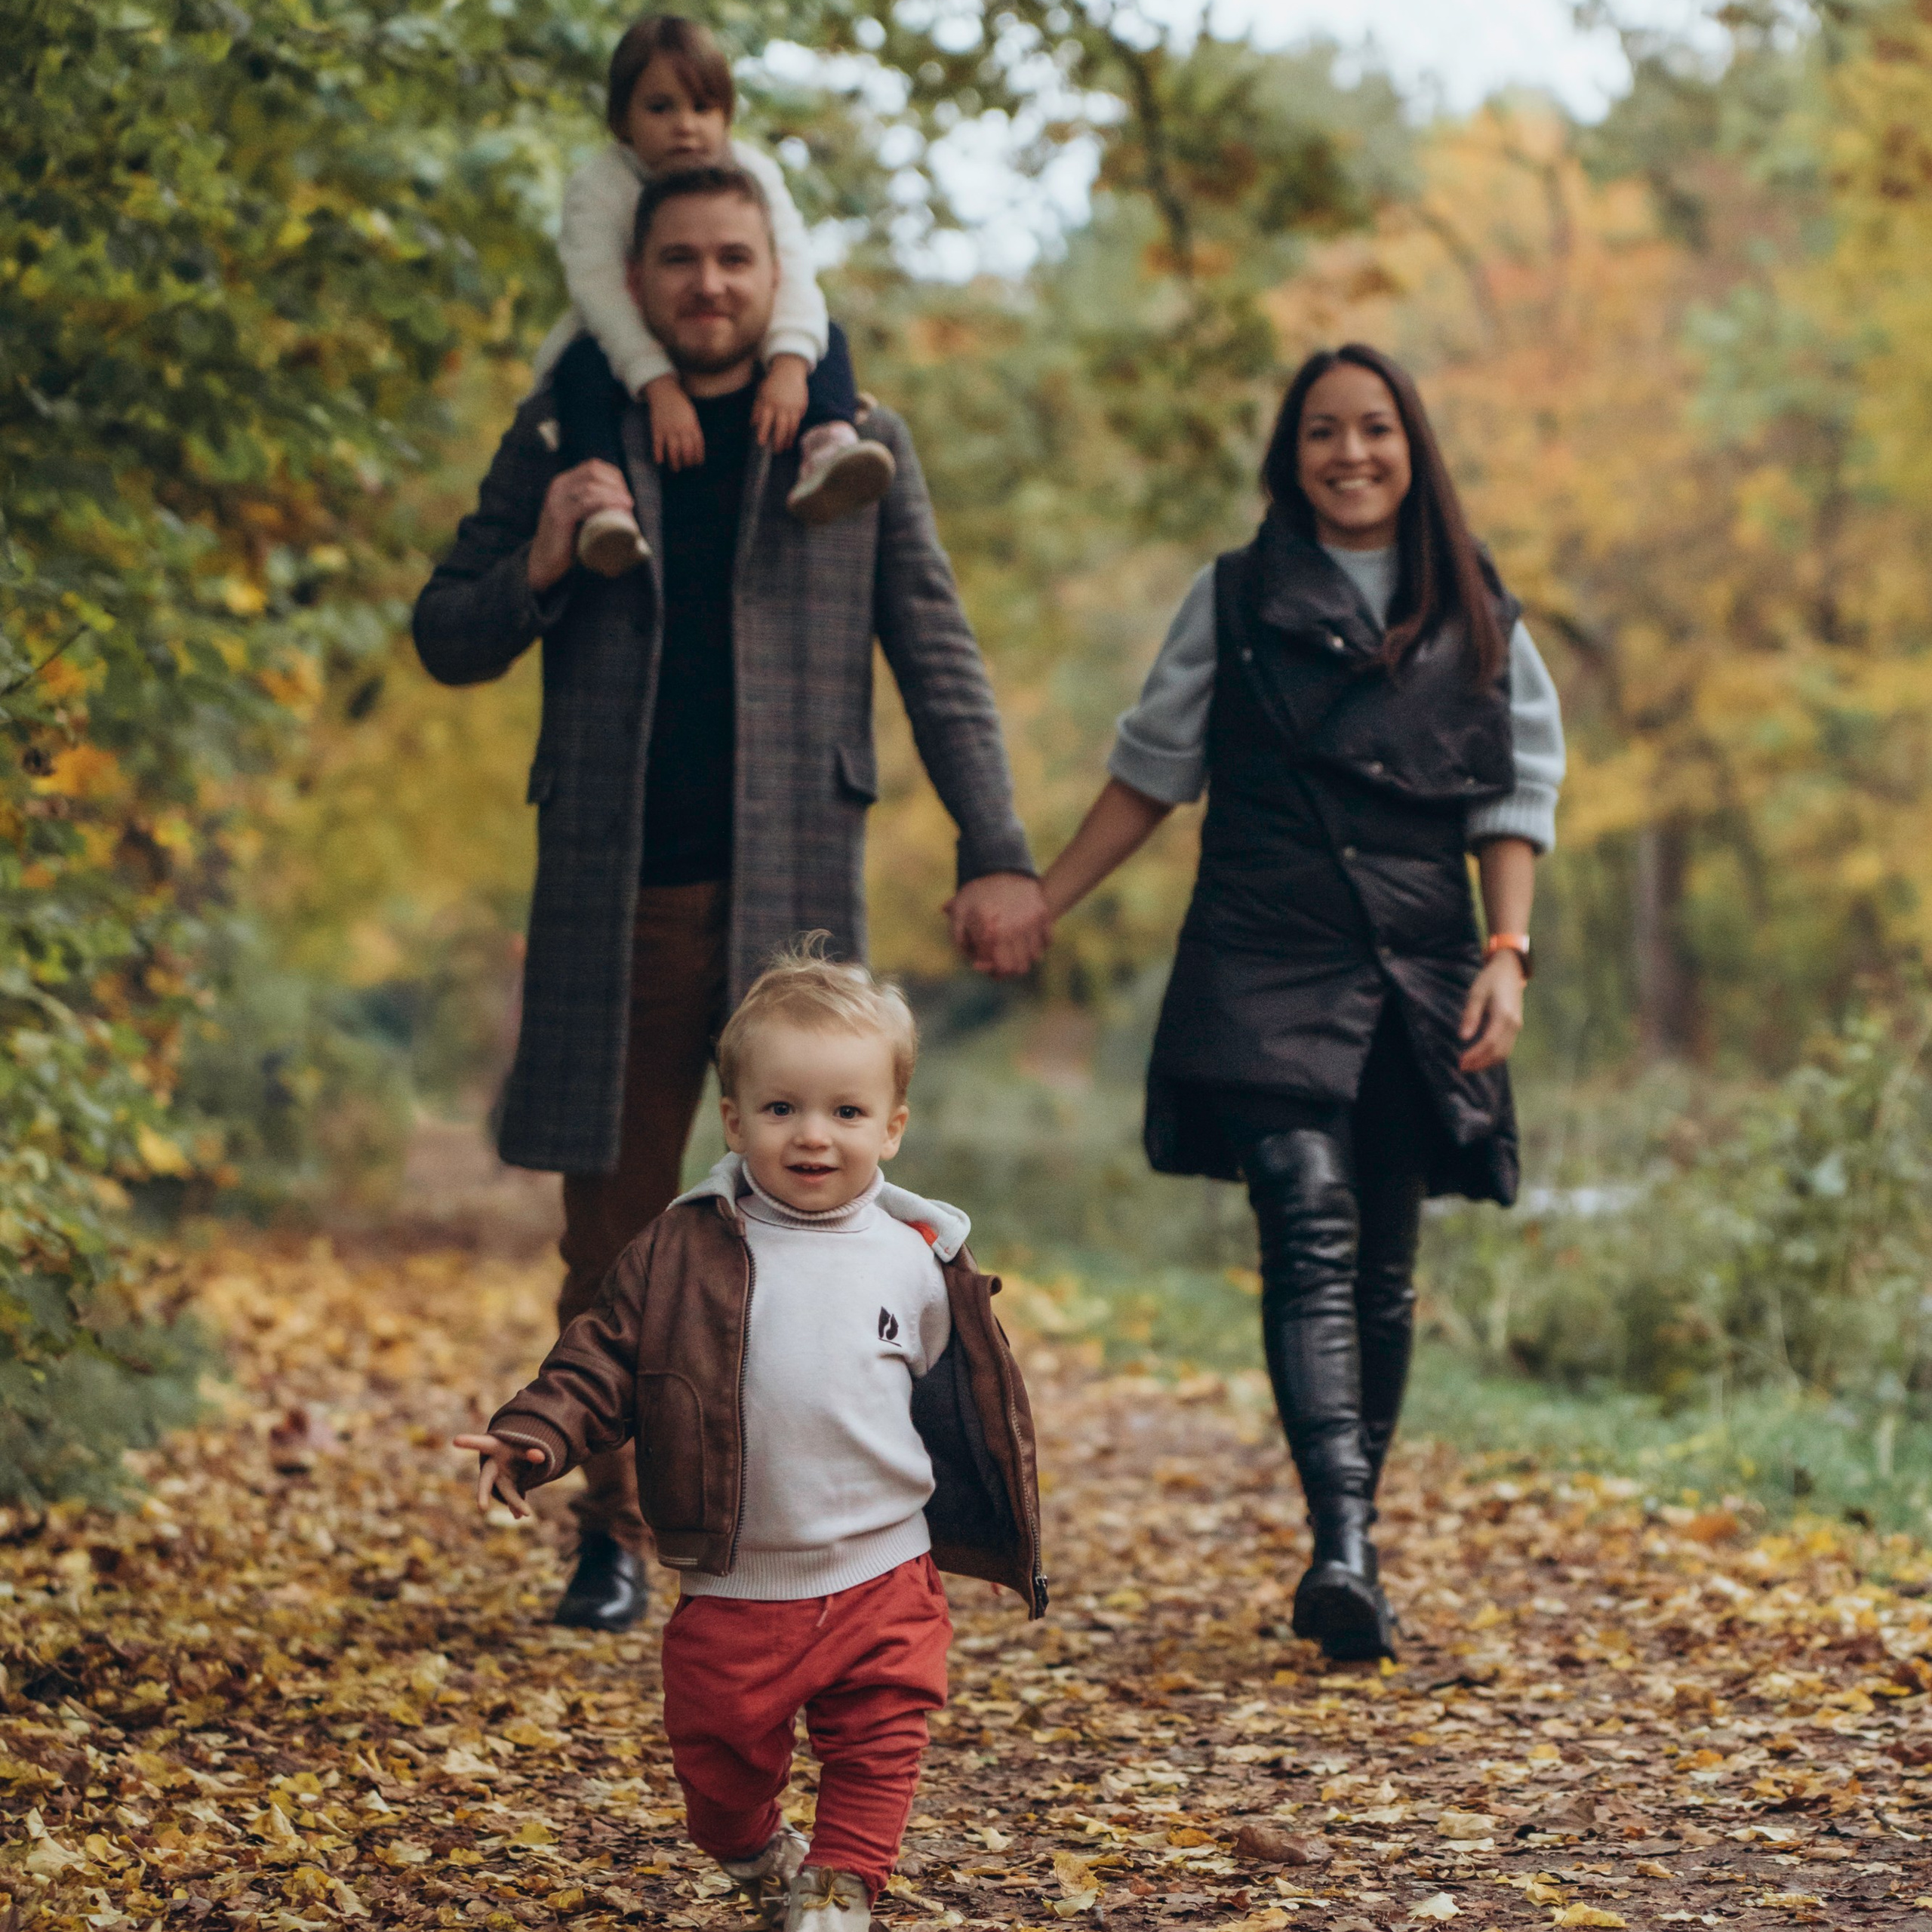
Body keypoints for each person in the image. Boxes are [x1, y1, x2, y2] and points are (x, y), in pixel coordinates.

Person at [413, 162, 1047, 1632]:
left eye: (733, 260)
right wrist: (540, 555)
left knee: (817, 1214)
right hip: (616, 886)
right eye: (679, 260)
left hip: (798, 896)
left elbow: (937, 653)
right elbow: (446, 630)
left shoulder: (852, 442)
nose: (707, 284)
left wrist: (995, 842)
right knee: (618, 1236)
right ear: (634, 283)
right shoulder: (570, 432)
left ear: (776, 276)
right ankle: (616, 1526)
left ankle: (821, 1511)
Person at [1033, 343, 1565, 1663]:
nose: (1351, 454)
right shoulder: (1232, 599)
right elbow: (1152, 771)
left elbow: (1514, 795)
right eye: (1322, 432)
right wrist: (1045, 899)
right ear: (1292, 455)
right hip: (1261, 953)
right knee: (1308, 1223)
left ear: (1411, 445)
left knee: (1385, 1272)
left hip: (1419, 963)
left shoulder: (1481, 608)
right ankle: (1343, 1543)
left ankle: (1351, 1545)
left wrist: (1508, 951)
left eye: (1375, 429)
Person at [454, 945, 1044, 1932]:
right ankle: (756, 1851)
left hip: (881, 1571)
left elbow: (959, 1395)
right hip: (738, 1582)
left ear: (893, 1127)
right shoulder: (684, 1247)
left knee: (883, 1735)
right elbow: (603, 1357)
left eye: (846, 1113)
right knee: (719, 1775)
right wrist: (537, 1433)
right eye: (782, 1110)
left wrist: (985, 1526)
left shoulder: (919, 1259)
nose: (814, 1136)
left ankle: (842, 1891)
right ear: (734, 1121)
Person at [532, 14, 892, 575]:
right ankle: (604, 506)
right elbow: (599, 291)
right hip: (620, 336)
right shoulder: (598, 186)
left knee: (824, 336)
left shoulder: (753, 172)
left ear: (727, 115)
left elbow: (793, 272)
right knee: (581, 369)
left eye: (703, 108)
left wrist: (792, 365)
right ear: (621, 118)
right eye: (661, 107)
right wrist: (658, 383)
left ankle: (827, 445)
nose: (686, 127)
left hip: (761, 350)